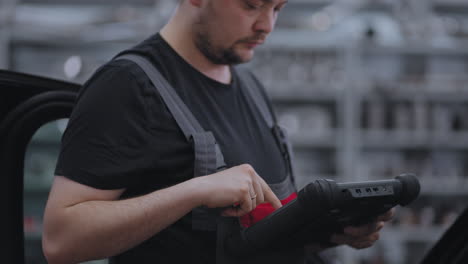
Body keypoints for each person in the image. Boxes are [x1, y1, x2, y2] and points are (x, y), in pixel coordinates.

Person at [42, 0, 393, 263]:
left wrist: (330, 232)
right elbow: (62, 240)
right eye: (252, 5)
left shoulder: (252, 89)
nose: (267, 25)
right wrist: (193, 192)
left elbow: (251, 236)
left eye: (278, 8)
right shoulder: (128, 86)